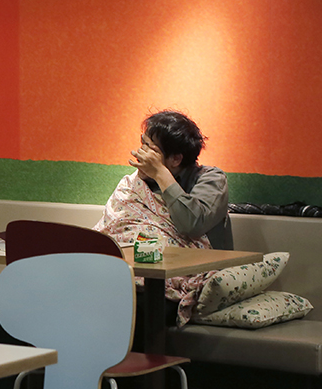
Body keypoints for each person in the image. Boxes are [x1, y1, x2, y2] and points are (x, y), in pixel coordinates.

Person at [95, 109, 231, 327]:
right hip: (124, 278)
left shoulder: (210, 179)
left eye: (151, 150)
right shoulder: (133, 187)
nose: (140, 154)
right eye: (142, 145)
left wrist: (161, 174)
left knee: (130, 308)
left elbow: (191, 224)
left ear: (176, 158)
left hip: (181, 283)